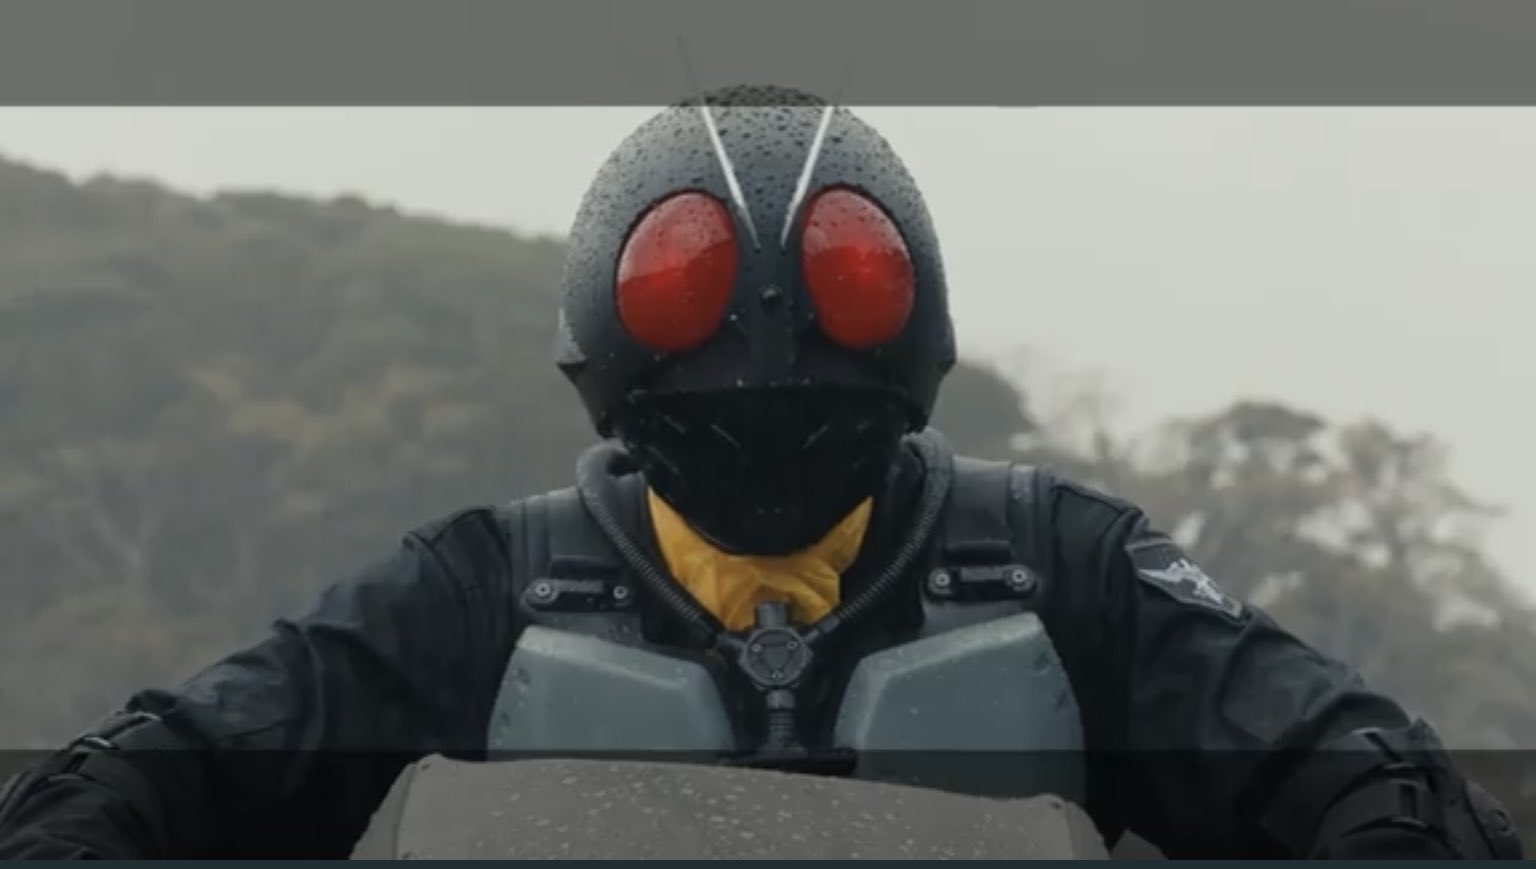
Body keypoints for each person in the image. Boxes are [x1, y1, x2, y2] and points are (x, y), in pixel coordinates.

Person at [0, 85, 1522, 861]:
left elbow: (1361, 775)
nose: (769, 348)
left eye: (835, 287)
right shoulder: (475, 591)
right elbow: (146, 777)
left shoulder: (1065, 567)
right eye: (695, 292)